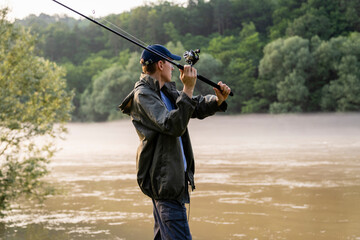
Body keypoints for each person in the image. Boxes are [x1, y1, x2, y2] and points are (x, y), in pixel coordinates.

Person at [119, 44, 231, 240]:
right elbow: (173, 124)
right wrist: (188, 86)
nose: (174, 67)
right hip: (166, 186)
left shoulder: (165, 91)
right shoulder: (144, 95)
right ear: (161, 65)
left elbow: (191, 106)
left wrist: (218, 100)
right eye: (171, 63)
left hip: (169, 183)